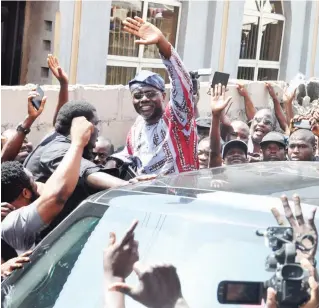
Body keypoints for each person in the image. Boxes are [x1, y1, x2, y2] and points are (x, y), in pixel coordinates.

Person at [23, 101, 129, 240]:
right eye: (95, 124)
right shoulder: (57, 149)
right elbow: (88, 172)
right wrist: (129, 187)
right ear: (82, 126)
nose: (97, 130)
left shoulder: (54, 138)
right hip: (46, 240)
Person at [112, 17, 197, 175]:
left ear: (163, 96)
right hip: (145, 195)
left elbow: (183, 85)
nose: (144, 99)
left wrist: (162, 44)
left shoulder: (176, 118)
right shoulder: (137, 128)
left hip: (179, 195)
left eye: (150, 93)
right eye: (138, 95)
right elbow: (130, 155)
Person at [2, 117, 93, 255]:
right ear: (26, 193)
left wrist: (29, 119)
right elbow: (56, 196)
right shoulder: (14, 224)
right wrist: (77, 143)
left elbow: (4, 161)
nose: (41, 184)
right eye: (34, 182)